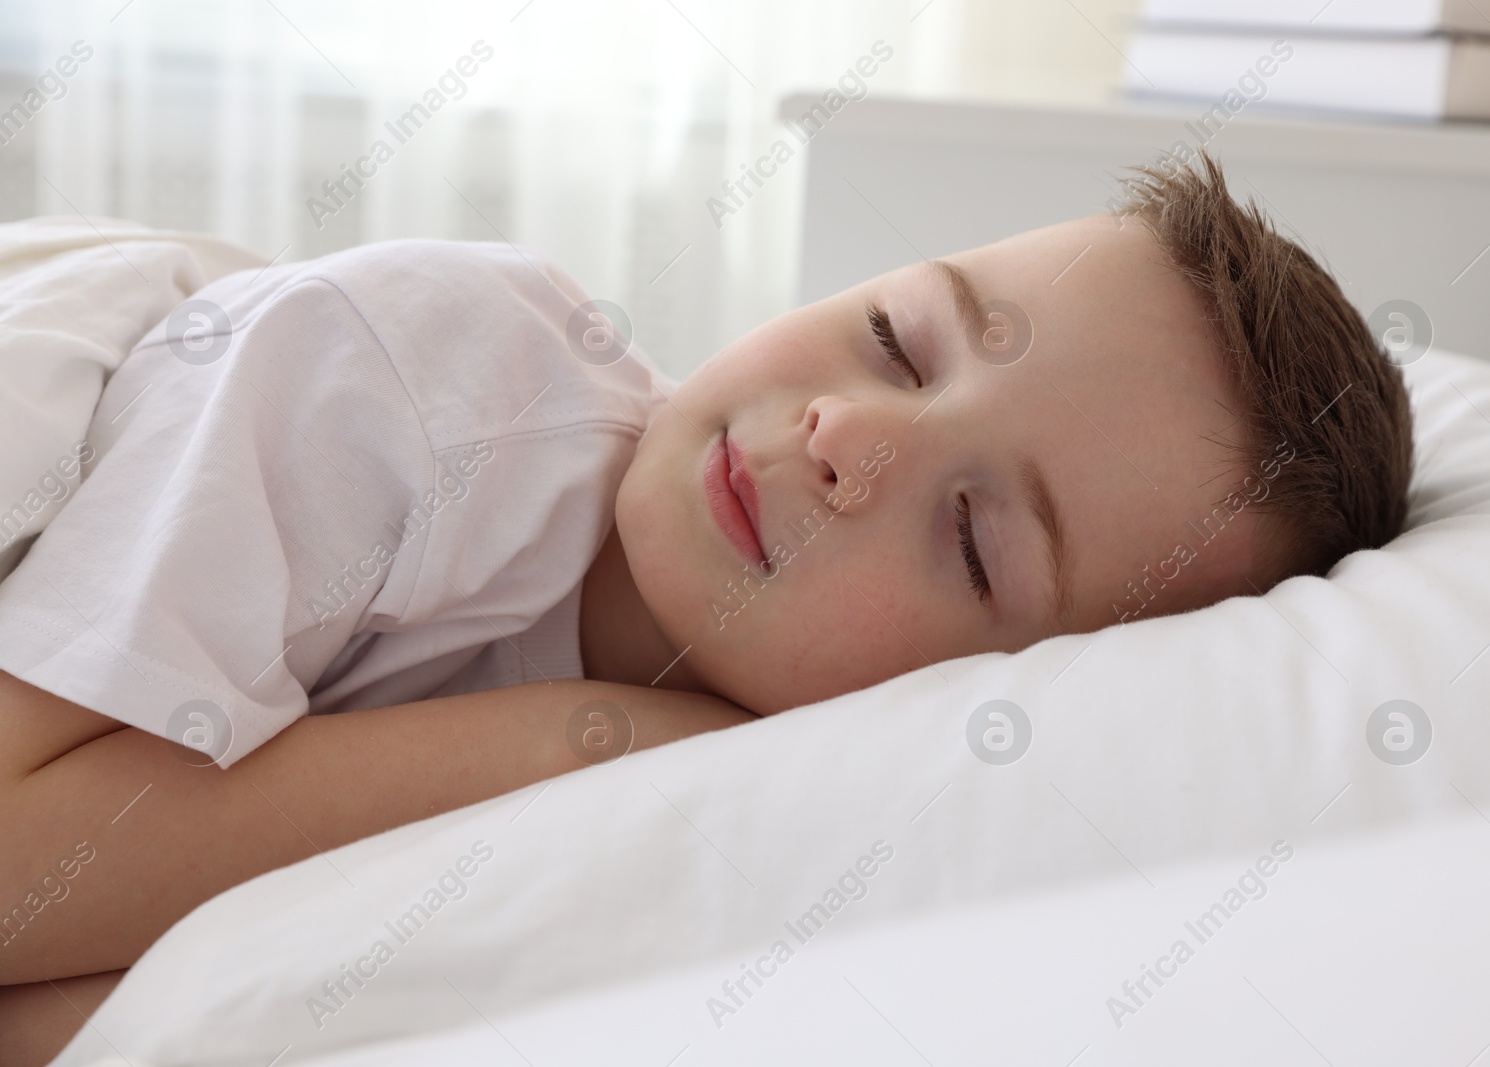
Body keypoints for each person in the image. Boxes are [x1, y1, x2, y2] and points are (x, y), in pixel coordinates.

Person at [0, 154, 1412, 1062]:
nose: (850, 435)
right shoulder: (423, 383)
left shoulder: (757, 849)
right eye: (896, 341)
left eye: (976, 539)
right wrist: (572, 742)